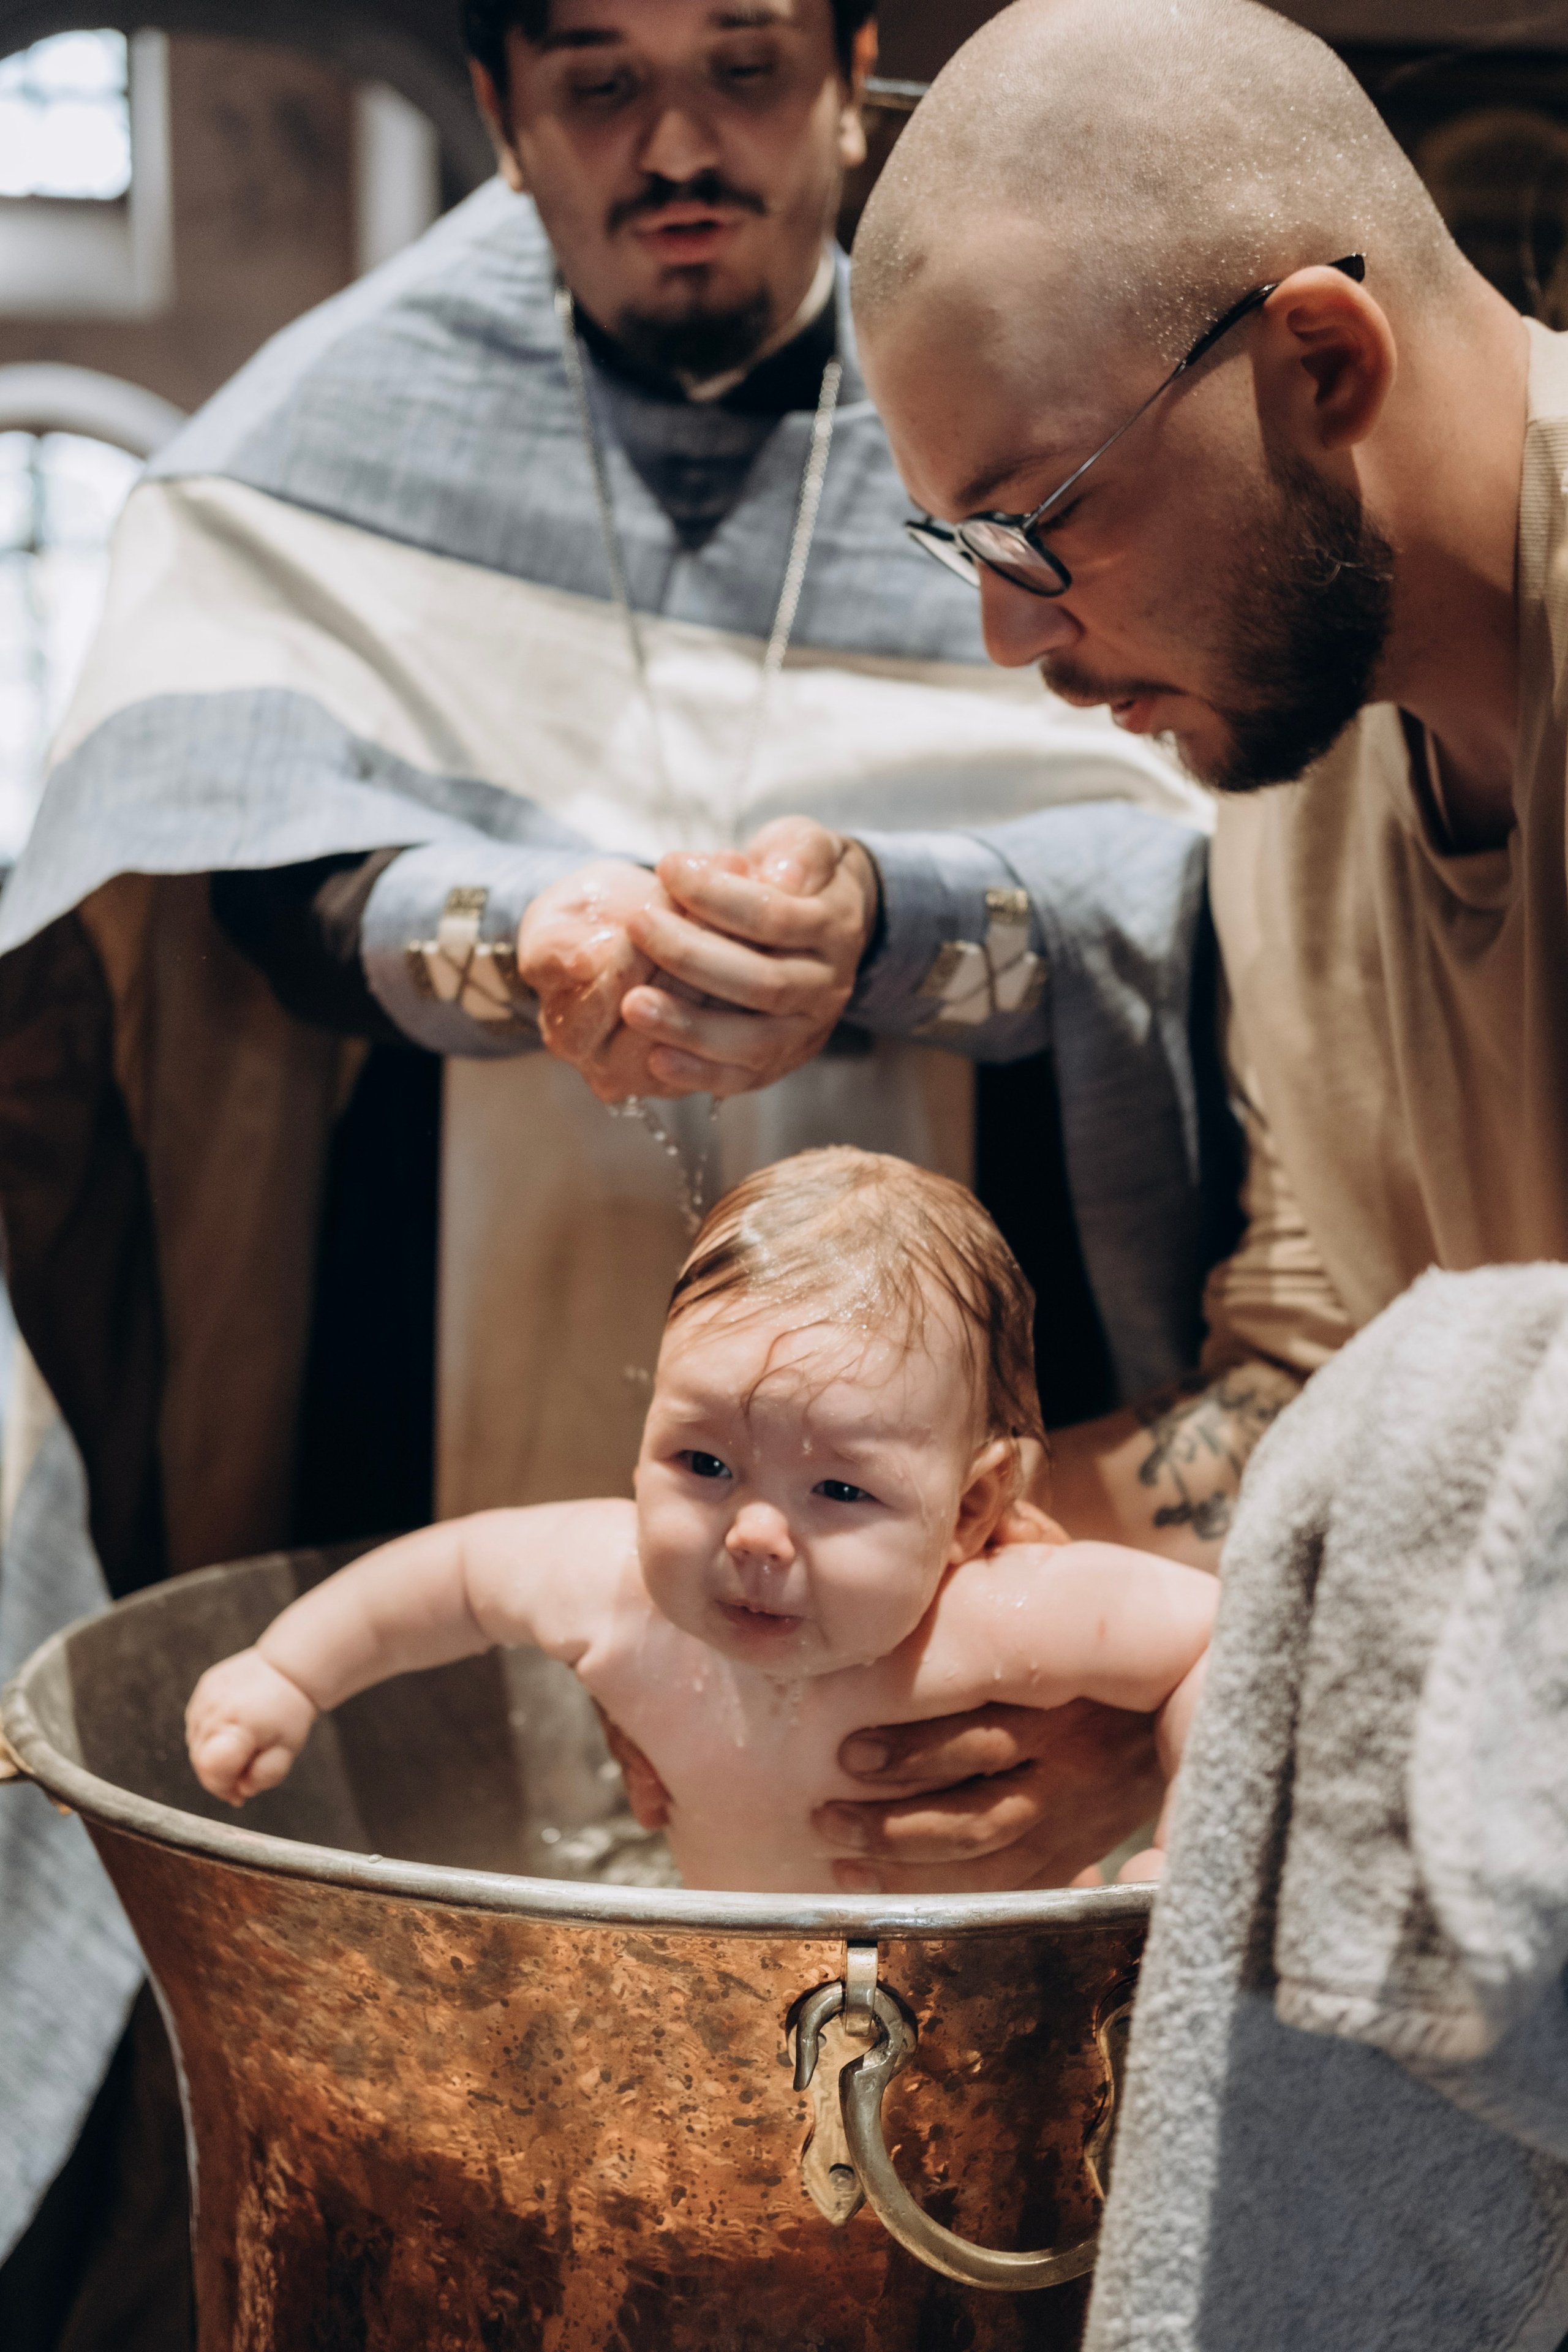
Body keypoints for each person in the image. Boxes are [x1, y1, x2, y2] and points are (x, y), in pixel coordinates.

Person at [0, 1, 1221, 2332]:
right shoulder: (337, 414)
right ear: (497, 109)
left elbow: (1230, 881)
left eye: (745, 68)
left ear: (854, 72)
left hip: (957, 1292)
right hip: (450, 1299)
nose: (677, 142)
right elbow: (198, 860)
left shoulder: (1008, 400)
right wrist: (478, 933)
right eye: (597, 82)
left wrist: (903, 925)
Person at [616, 0, 1568, 1905]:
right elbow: (1318, 1369)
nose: (1010, 638)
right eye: (961, 544)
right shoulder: (1291, 749)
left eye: (1041, 521)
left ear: (1321, 362)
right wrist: (854, 1613)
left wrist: (1226, 1710)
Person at [186, 1148, 1215, 1891]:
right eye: (705, 1464)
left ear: (971, 1510)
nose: (755, 1533)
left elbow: (1225, 1645)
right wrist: (289, 1672)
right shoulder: (621, 1595)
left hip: (1003, 2013)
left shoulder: (998, 1620)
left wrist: (1195, 1846)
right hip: (726, 2006)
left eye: (839, 1491)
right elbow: (455, 1577)